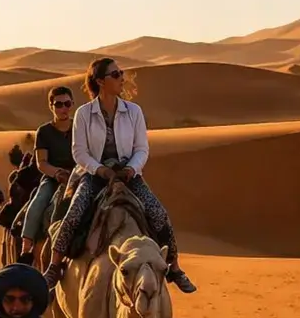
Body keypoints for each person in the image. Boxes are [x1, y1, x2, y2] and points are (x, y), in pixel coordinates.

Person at [43, 58, 196, 293]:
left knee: (159, 214)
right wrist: (99, 169)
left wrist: (131, 169)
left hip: (128, 174)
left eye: (120, 73)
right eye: (115, 74)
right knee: (73, 214)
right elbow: (79, 152)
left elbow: (142, 148)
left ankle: (174, 267)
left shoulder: (134, 111)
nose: (121, 78)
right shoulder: (84, 114)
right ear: (100, 81)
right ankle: (55, 266)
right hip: (94, 174)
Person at [18, 87, 77, 262]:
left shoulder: (80, 128)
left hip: (79, 175)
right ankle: (26, 247)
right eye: (58, 104)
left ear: (72, 104)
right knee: (38, 202)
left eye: (67, 104)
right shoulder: (44, 131)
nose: (63, 108)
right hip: (53, 176)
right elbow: (41, 162)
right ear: (51, 106)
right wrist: (57, 173)